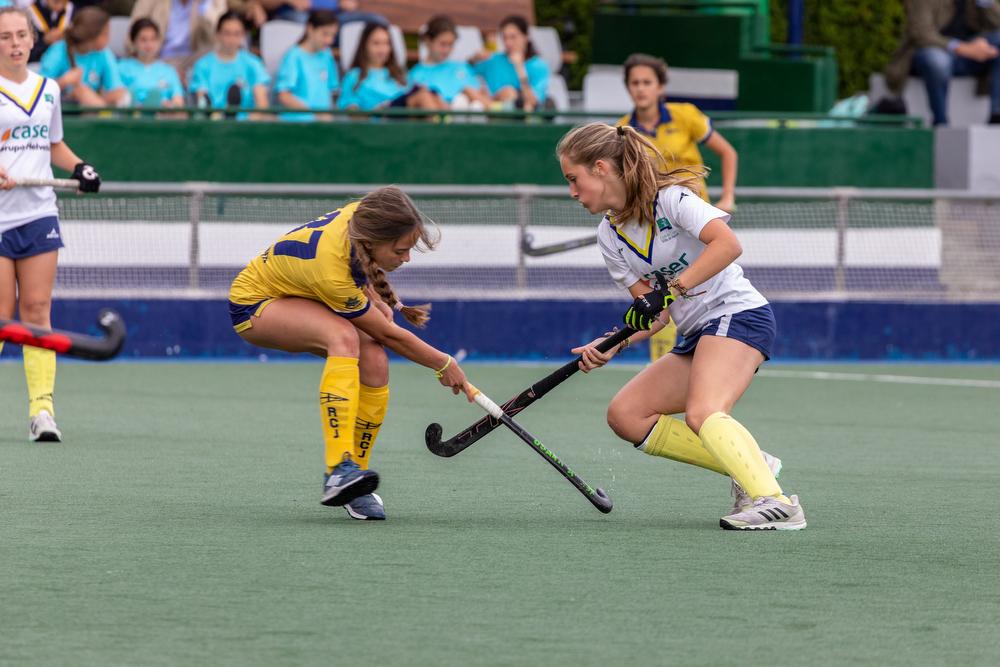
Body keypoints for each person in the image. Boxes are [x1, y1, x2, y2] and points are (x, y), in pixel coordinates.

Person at [557, 122, 806, 531]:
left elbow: (728, 245)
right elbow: (653, 315)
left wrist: (670, 288)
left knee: (704, 411)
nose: (572, 191)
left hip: (737, 313)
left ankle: (776, 503)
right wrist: (612, 344)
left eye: (573, 179)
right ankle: (753, 464)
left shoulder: (672, 201)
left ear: (600, 167)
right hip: (697, 333)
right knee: (627, 415)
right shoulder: (609, 236)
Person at [229, 186, 473, 520]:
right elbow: (391, 333)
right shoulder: (331, 270)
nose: (407, 258)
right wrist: (443, 363)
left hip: (300, 293)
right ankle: (339, 469)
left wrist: (370, 292)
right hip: (254, 305)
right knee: (343, 337)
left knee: (374, 358)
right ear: (374, 241)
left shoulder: (365, 215)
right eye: (401, 250)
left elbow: (358, 266)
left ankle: (354, 480)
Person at [0, 6, 101, 442]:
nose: (16, 43)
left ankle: (42, 412)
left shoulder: (48, 89)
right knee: (1, 315)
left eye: (21, 35)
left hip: (39, 212)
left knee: (38, 310)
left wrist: (81, 167)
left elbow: (53, 142)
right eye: (5, 37)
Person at [618, 53, 739, 362]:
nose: (641, 89)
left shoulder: (685, 116)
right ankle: (667, 365)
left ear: (660, 87)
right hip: (656, 228)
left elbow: (727, 152)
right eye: (635, 83)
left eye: (647, 82)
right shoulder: (622, 131)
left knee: (704, 291)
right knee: (664, 301)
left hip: (696, 224)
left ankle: (715, 354)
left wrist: (727, 196)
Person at [881, 0, 1000, 126]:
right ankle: (940, 121)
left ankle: (996, 114)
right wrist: (963, 48)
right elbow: (921, 34)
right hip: (933, 50)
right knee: (937, 61)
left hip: (971, 55)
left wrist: (986, 2)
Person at [336, 22, 445, 112]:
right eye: (376, 43)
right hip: (380, 120)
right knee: (423, 97)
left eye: (386, 43)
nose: (382, 49)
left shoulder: (399, 75)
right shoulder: (354, 75)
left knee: (433, 95)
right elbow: (351, 111)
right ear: (364, 46)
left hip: (404, 119)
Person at [39, 6, 126, 107]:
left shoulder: (104, 53)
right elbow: (39, 92)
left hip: (90, 114)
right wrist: (64, 81)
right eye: (105, 34)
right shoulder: (58, 50)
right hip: (60, 111)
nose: (109, 38)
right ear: (91, 36)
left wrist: (92, 99)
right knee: (81, 92)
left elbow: (117, 91)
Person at [189, 11, 269, 118]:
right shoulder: (203, 65)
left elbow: (262, 105)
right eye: (227, 33)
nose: (231, 39)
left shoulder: (253, 64)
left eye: (237, 34)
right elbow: (202, 100)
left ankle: (231, 115)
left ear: (243, 35)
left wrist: (246, 124)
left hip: (245, 128)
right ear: (217, 34)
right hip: (212, 125)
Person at [129, 0, 226, 80]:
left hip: (196, 61)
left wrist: (204, 6)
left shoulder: (213, 2)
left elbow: (222, 37)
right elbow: (132, 37)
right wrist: (165, 69)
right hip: (159, 59)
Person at [410, 15, 490, 111]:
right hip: (440, 118)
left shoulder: (462, 67)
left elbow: (480, 94)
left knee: (471, 99)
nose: (447, 50)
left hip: (473, 113)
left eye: (451, 44)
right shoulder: (416, 74)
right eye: (442, 44)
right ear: (428, 41)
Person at [472, 15, 548, 112]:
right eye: (505, 38)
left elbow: (532, 102)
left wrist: (520, 68)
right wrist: (474, 58)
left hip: (522, 118)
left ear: (526, 37)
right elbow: (465, 72)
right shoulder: (494, 60)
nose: (508, 43)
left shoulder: (538, 65)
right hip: (492, 112)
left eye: (513, 37)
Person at [274, 9, 338, 121]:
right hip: (297, 124)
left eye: (332, 35)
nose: (329, 40)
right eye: (325, 34)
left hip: (322, 127)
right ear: (310, 28)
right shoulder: (293, 56)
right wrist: (314, 114)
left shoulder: (327, 55)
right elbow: (284, 96)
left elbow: (332, 91)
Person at [118, 18, 185, 108]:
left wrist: (168, 106)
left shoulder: (169, 71)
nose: (149, 45)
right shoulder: (121, 67)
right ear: (133, 42)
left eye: (153, 39)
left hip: (162, 116)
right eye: (143, 40)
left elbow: (178, 102)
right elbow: (116, 97)